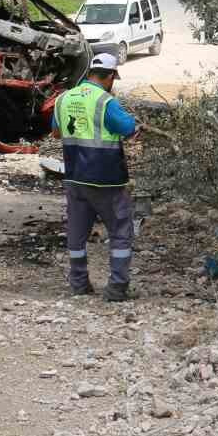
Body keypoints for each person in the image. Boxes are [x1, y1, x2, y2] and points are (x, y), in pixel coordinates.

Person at [52, 53, 139, 301]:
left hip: (74, 177)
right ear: (110, 77)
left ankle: (79, 284)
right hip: (106, 180)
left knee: (77, 234)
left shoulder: (63, 99)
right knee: (121, 231)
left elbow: (57, 133)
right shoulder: (105, 101)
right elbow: (127, 128)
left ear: (90, 73)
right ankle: (117, 288)